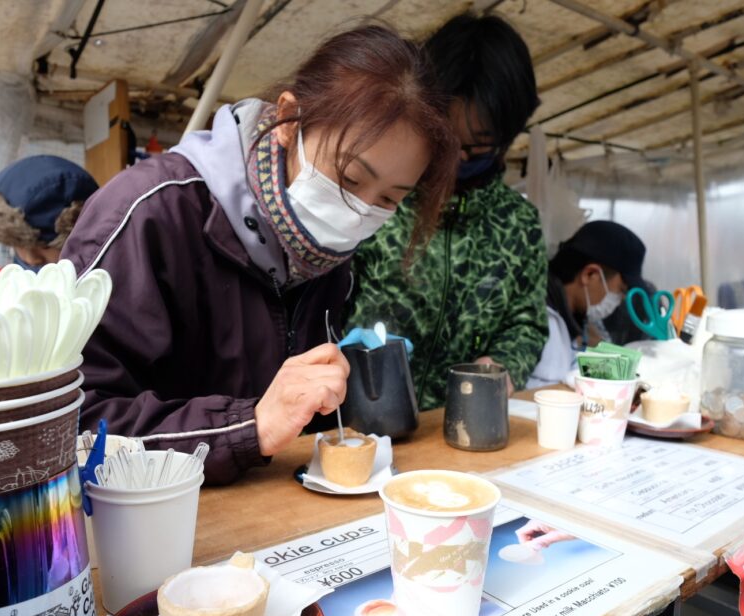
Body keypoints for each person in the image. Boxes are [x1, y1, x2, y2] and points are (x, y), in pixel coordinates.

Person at [62, 26, 457, 485]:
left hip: (264, 518)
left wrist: (338, 385)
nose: (358, 213)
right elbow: (72, 424)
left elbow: (284, 413)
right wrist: (249, 426)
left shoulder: (325, 253)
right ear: (290, 121)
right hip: (147, 529)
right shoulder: (149, 214)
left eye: (388, 199)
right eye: (350, 178)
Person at [348, 13, 547, 411]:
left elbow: (527, 323)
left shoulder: (518, 224)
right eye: (446, 138)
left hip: (459, 424)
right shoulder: (380, 197)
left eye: (476, 146)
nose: (455, 158)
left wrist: (503, 365)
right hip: (352, 419)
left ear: (506, 138)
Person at [527, 220, 649, 388]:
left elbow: (573, 369)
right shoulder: (535, 319)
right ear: (590, 274)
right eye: (620, 290)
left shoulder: (571, 317)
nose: (620, 299)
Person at [0, 155, 98, 309]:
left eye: (45, 246)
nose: (31, 259)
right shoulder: (0, 289)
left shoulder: (100, 292)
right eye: (17, 243)